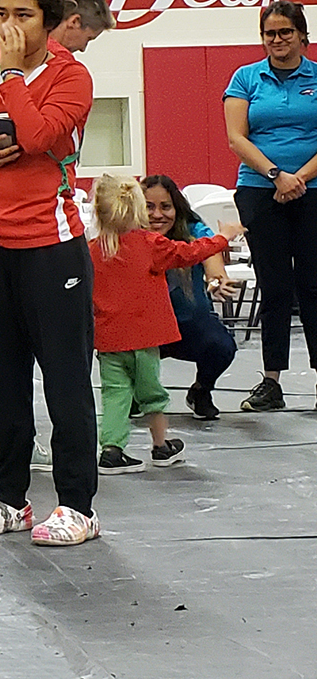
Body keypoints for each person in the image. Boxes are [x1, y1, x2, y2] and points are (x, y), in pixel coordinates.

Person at [0, 0, 100, 547]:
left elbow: (38, 139)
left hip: (50, 245)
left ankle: (77, 505)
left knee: (64, 378)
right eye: (1, 14)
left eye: (22, 16)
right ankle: (9, 498)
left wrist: (11, 75)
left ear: (51, 22)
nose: (8, 27)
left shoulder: (71, 77)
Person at [89, 173, 232, 473]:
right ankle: (160, 446)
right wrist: (223, 238)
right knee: (153, 394)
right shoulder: (151, 244)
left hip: (109, 340)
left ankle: (112, 450)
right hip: (145, 338)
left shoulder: (91, 250)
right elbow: (191, 252)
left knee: (114, 394)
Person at [223, 1, 317, 412]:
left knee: (314, 286)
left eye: (285, 32)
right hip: (261, 191)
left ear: (302, 35)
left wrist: (300, 178)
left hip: (313, 190)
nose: (277, 40)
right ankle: (271, 381)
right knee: (275, 287)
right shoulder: (245, 78)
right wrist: (278, 175)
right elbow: (236, 138)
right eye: (269, 34)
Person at [142, 174, 239, 420]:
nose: (157, 215)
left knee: (222, 347)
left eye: (165, 206)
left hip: (188, 326)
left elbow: (210, 254)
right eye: (149, 207)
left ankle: (201, 390)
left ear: (177, 207)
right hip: (145, 330)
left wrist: (218, 280)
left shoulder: (192, 229)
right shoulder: (129, 235)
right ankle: (136, 391)